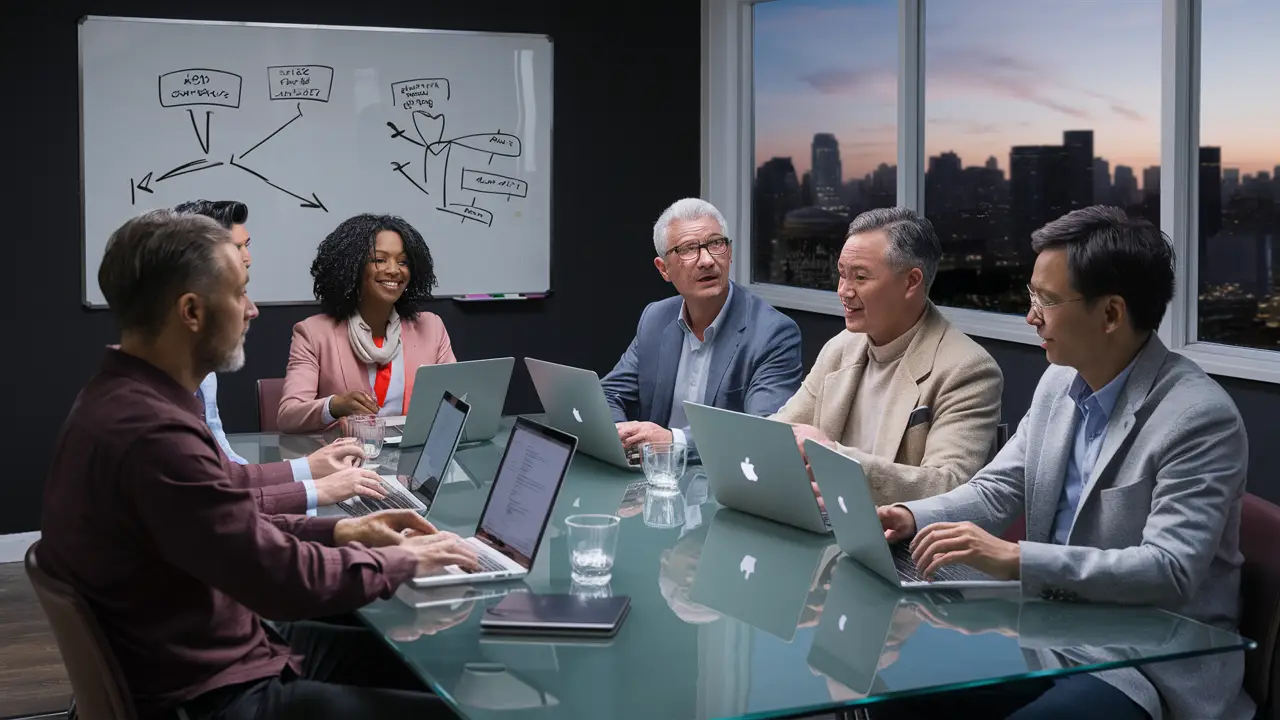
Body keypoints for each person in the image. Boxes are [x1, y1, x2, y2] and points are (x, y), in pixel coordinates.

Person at [39, 209, 481, 720]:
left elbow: (230, 521)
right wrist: (403, 560)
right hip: (217, 694)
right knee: (449, 702)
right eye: (239, 293)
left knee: (429, 665)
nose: (251, 311)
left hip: (219, 654)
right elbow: (277, 576)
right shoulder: (153, 434)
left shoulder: (123, 400)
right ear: (192, 312)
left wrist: (346, 533)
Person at [876, 207, 1254, 719]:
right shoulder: (1060, 383)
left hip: (1145, 663)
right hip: (1047, 633)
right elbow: (997, 489)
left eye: (1047, 301)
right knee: (892, 687)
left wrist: (1016, 559)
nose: (1030, 316)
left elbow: (1169, 570)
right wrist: (912, 515)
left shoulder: (1199, 417)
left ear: (1111, 315)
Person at [772, 207, 1003, 504]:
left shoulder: (968, 369)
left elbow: (949, 486)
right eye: (842, 275)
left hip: (902, 543)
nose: (844, 290)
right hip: (823, 522)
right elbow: (782, 432)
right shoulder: (841, 347)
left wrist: (832, 458)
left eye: (860, 277)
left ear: (911, 282)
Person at [172, 199, 382, 516]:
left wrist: (307, 473)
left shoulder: (198, 370)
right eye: (236, 294)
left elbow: (227, 470)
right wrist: (312, 488)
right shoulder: (153, 410)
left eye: (247, 245)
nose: (247, 257)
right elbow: (213, 507)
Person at [600, 198, 803, 460]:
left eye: (715, 244)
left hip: (726, 484)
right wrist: (623, 434)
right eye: (688, 249)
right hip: (655, 479)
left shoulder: (773, 333)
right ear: (664, 269)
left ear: (729, 253)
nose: (706, 260)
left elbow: (762, 429)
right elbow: (608, 394)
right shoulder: (656, 318)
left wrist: (674, 442)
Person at [279, 214, 456, 433]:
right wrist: (334, 406)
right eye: (380, 260)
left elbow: (455, 401)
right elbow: (288, 415)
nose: (393, 270)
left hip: (414, 459)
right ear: (352, 268)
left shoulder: (431, 328)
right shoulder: (313, 333)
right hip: (346, 461)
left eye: (403, 262)